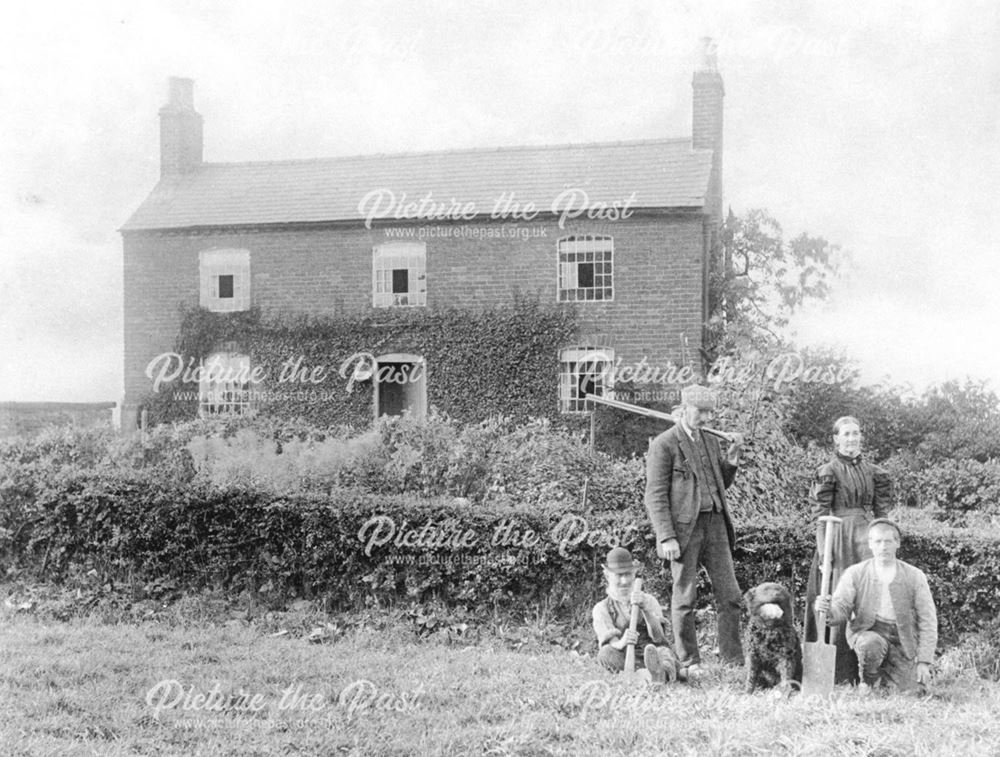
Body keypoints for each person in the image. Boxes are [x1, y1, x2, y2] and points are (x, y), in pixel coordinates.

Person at [644, 384, 745, 677]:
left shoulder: (711, 442)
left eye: (709, 412)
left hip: (716, 524)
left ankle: (732, 659)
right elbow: (655, 495)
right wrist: (666, 536)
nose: (705, 418)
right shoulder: (664, 444)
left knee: (730, 594)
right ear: (685, 409)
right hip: (684, 530)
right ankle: (689, 661)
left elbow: (720, 484)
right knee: (685, 597)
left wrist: (732, 458)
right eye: (701, 412)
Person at [804, 416, 893, 684]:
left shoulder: (875, 472)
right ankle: (838, 672)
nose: (852, 438)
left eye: (856, 433)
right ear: (836, 438)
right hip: (838, 537)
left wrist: (884, 542)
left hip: (866, 538)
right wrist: (824, 553)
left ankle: (869, 667)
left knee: (869, 595)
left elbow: (883, 513)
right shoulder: (828, 471)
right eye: (846, 434)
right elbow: (820, 515)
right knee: (839, 596)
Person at [814, 519, 937, 694]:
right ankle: (868, 682)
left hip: (902, 638)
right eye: (878, 542)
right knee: (870, 644)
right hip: (869, 631)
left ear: (897, 543)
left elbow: (928, 620)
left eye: (888, 541)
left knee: (912, 693)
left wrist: (924, 661)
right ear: (870, 544)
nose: (883, 547)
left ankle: (889, 677)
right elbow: (841, 606)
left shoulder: (915, 576)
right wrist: (828, 610)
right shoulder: (855, 573)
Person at [592, 547, 678, 683]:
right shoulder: (601, 609)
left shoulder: (649, 600)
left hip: (652, 653)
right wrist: (623, 642)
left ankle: (657, 672)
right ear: (607, 576)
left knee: (664, 653)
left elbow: (658, 637)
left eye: (628, 574)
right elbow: (611, 643)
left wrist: (646, 610)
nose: (625, 581)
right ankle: (645, 675)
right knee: (605, 654)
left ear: (634, 574)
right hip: (624, 656)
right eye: (619, 575)